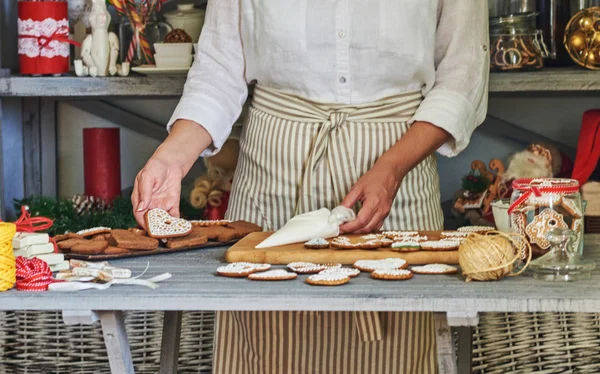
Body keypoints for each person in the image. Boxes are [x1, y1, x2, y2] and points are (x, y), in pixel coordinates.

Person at [133, 1, 489, 373]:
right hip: (272, 186)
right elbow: (219, 71)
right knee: (267, 350)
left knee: (399, 350)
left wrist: (391, 169)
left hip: (398, 183)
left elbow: (461, 76)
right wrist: (170, 160)